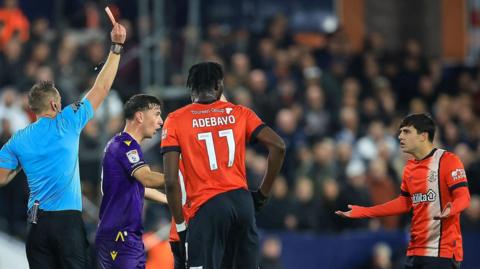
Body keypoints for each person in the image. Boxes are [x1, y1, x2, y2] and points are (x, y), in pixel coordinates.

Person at [0, 22, 126, 268]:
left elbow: (1, 177)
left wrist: (20, 167)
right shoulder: (67, 121)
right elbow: (101, 87)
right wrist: (116, 47)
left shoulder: (18, 140)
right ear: (56, 106)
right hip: (67, 223)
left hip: (36, 225)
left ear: (32, 109)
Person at [162, 61, 286, 269]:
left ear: (191, 90)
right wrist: (262, 194)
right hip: (242, 202)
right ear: (219, 86)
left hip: (206, 207)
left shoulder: (176, 119)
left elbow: (171, 180)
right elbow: (279, 146)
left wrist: (181, 226)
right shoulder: (240, 113)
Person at [336, 113, 471, 269]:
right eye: (400, 132)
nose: (400, 136)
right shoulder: (409, 168)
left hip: (441, 252)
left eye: (406, 132)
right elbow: (404, 203)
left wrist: (451, 209)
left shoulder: (449, 161)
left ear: (423, 136)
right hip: (415, 251)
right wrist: (364, 211)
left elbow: (464, 197)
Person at [95, 94, 167, 268]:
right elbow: (147, 178)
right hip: (119, 235)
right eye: (156, 114)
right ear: (140, 116)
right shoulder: (125, 145)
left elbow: (139, 187)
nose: (161, 121)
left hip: (127, 234)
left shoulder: (123, 145)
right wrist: (185, 178)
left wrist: (168, 200)